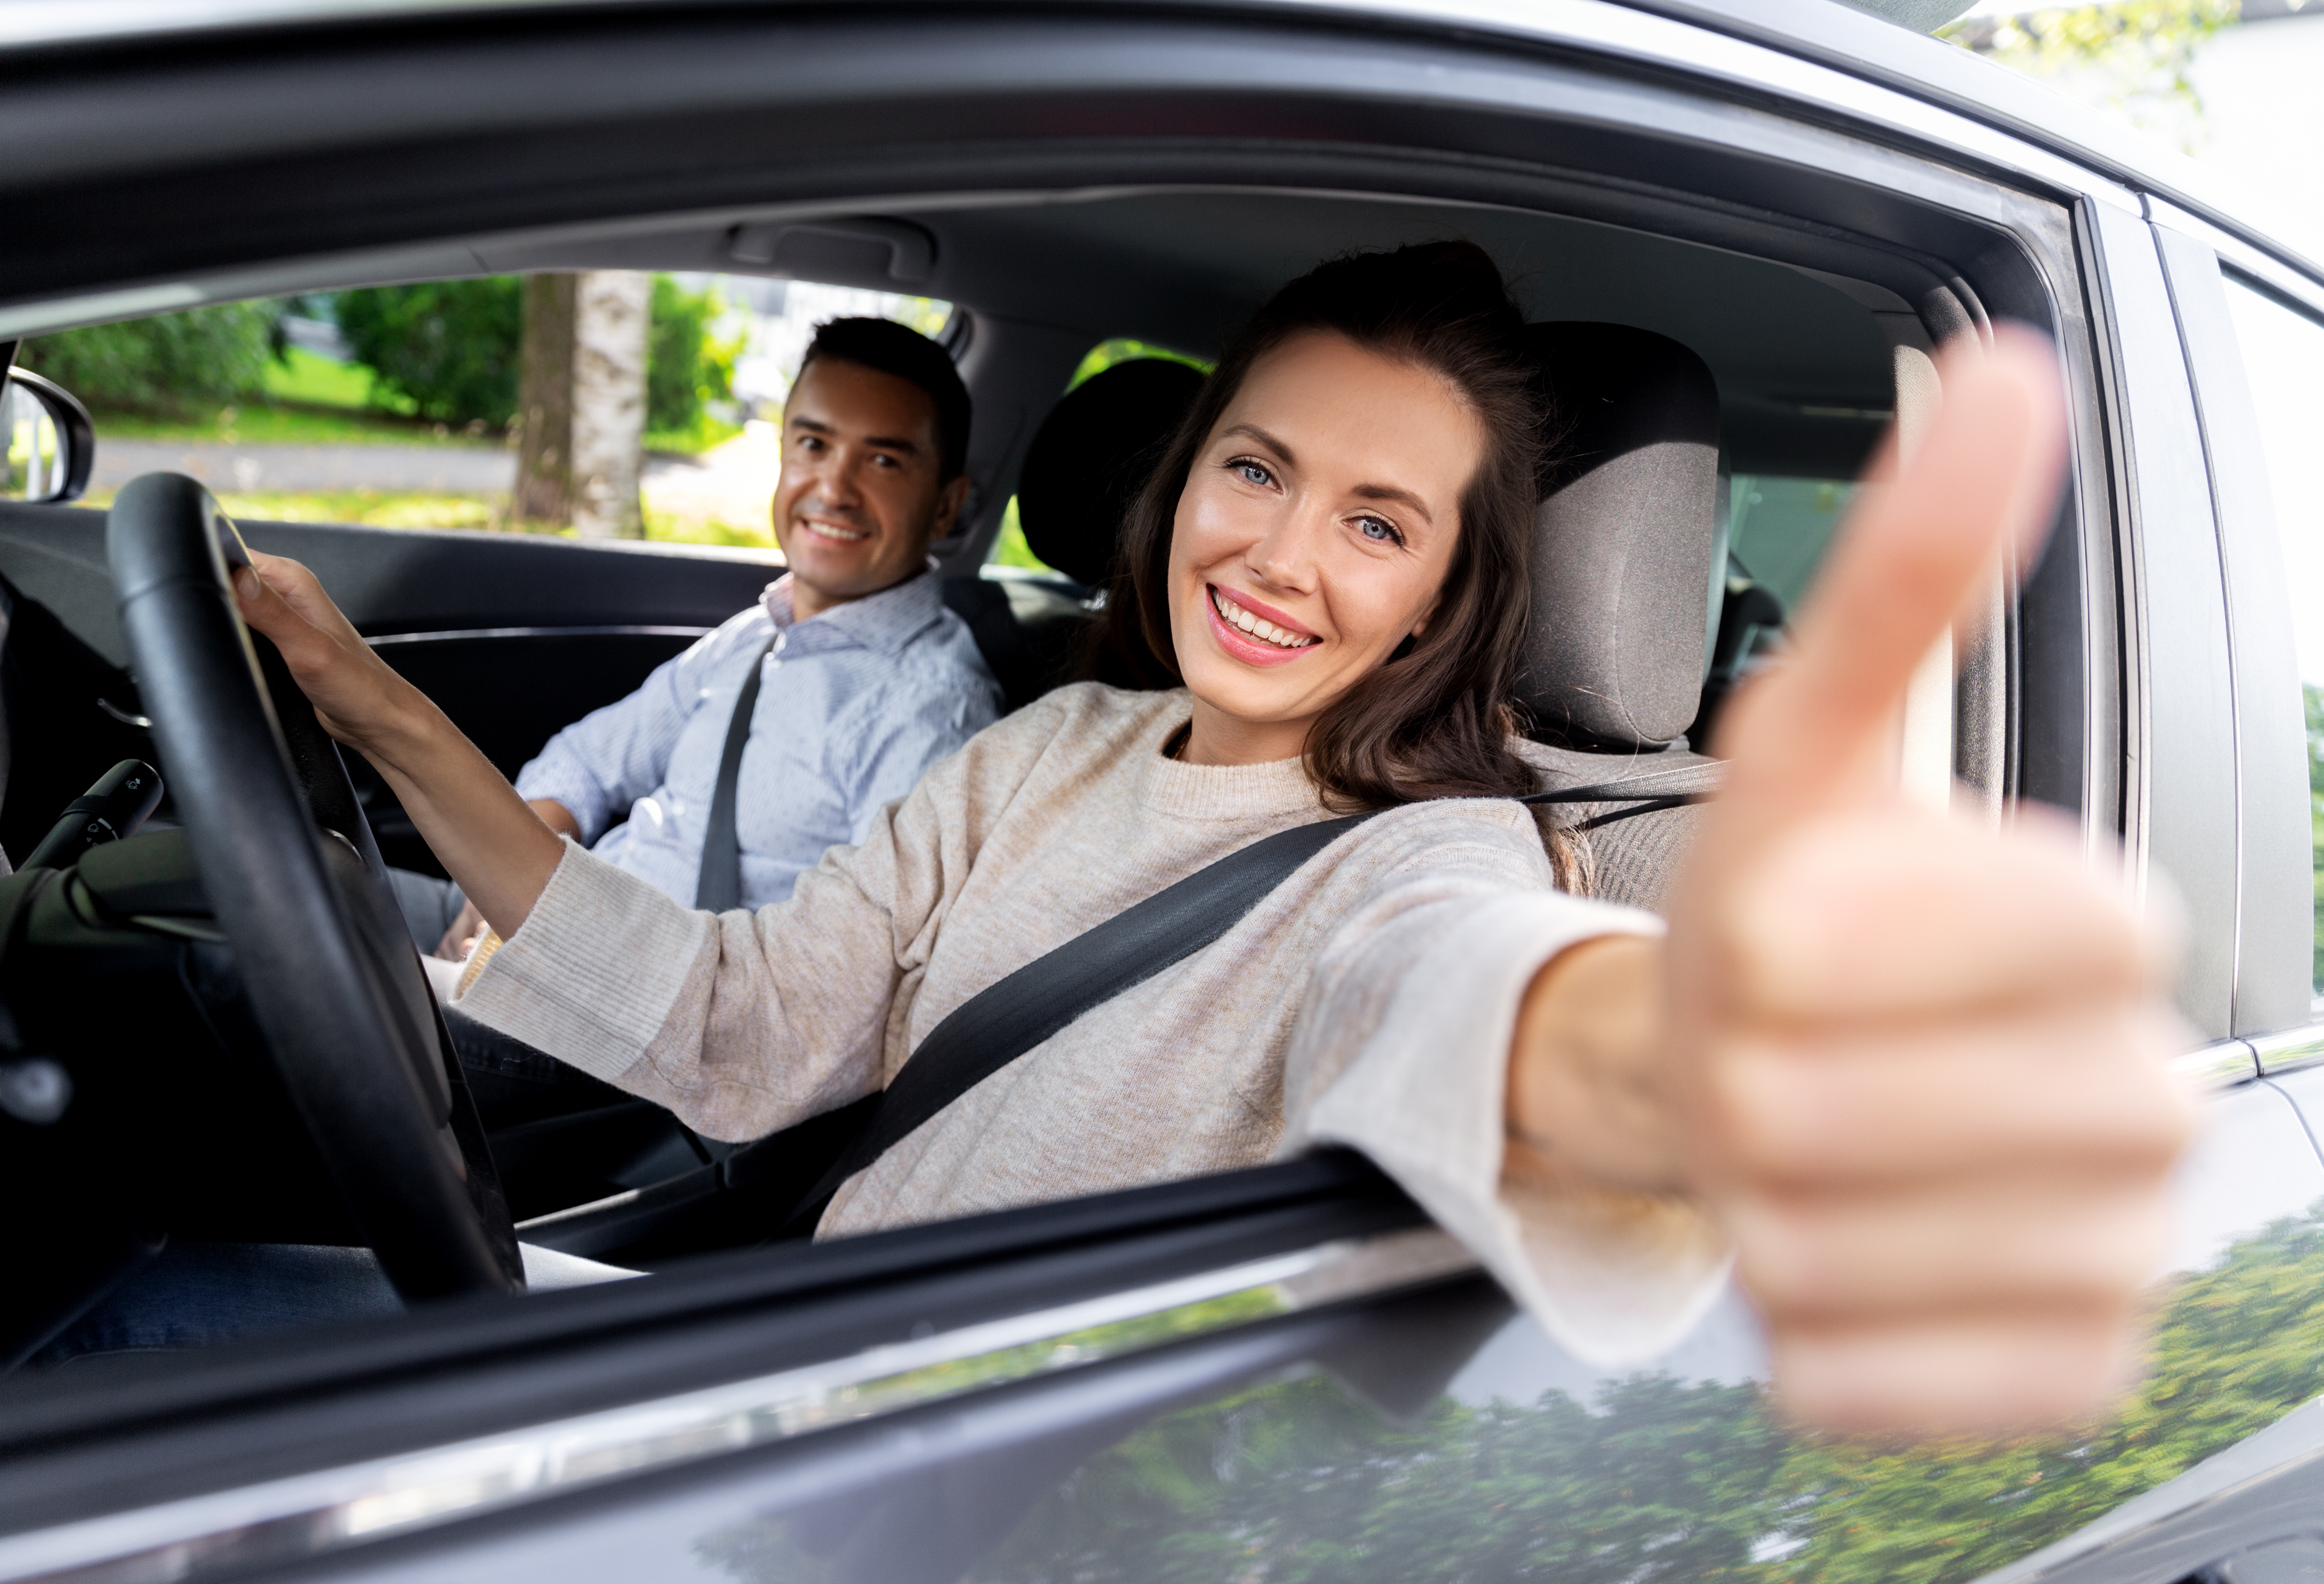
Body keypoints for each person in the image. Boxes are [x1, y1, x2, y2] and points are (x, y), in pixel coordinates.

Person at [236, 242, 2190, 1438]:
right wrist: (372, 705)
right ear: (1183, 483)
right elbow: (745, 1024)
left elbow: (1480, 1007)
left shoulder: (1436, 863)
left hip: (950, 1475)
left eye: (1374, 519)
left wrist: (1695, 1058)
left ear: (1439, 597)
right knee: (183, 1290)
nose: (1273, 552)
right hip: (769, 1359)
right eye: (1255, 469)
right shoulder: (1057, 740)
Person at [389, 316, 1002, 965]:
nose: (833, 489)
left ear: (945, 506)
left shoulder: (932, 709)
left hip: (631, 1030)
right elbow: (589, 762)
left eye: (883, 460)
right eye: (814, 445)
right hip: (548, 928)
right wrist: (498, 894)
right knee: (306, 871)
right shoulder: (757, 634)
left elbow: (866, 971)